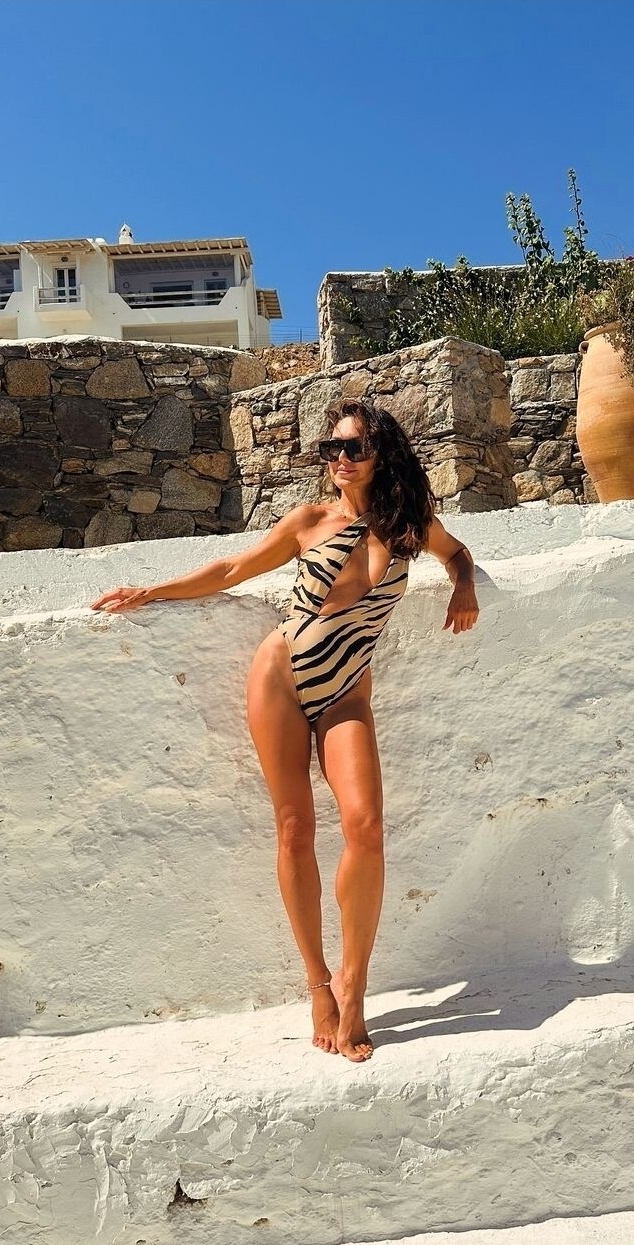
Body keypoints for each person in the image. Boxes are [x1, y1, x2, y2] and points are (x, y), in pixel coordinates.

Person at [91, 398, 479, 1063]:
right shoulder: (308, 521)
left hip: (346, 691)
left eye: (353, 448)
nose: (340, 460)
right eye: (331, 449)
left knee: (365, 828)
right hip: (281, 677)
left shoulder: (410, 524)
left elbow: (458, 553)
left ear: (382, 455)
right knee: (294, 828)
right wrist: (151, 592)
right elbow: (232, 571)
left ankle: (355, 985)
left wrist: (463, 586)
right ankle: (318, 986)